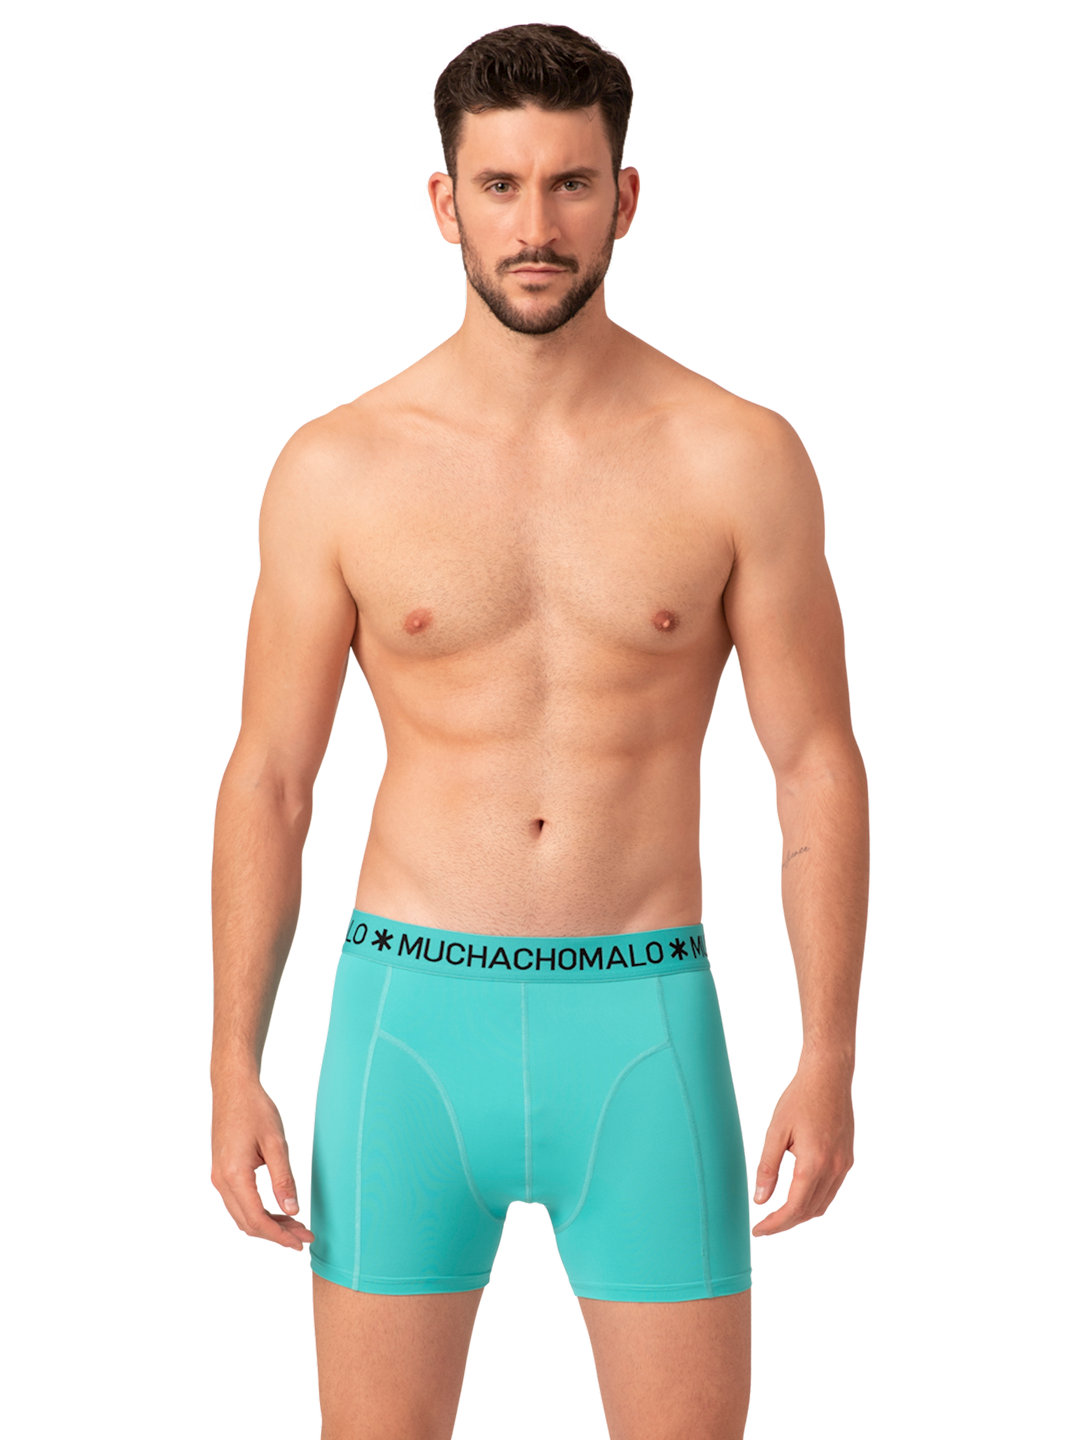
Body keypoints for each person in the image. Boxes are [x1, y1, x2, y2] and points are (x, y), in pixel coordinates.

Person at [208, 20, 871, 1440]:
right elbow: (269, 779)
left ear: (625, 198)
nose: (535, 227)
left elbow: (815, 764)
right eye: (499, 185)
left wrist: (828, 1055)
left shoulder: (739, 454)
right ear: (443, 200)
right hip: (404, 1025)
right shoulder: (337, 464)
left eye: (570, 184)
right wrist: (229, 1068)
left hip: (645, 1024)